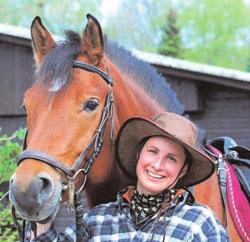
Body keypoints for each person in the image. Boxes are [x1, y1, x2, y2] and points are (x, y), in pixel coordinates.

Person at [25, 112, 229, 241]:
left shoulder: (201, 223)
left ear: (182, 170)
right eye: (153, 151)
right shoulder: (98, 220)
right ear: (139, 154)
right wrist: (40, 207)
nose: (157, 165)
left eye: (171, 159)